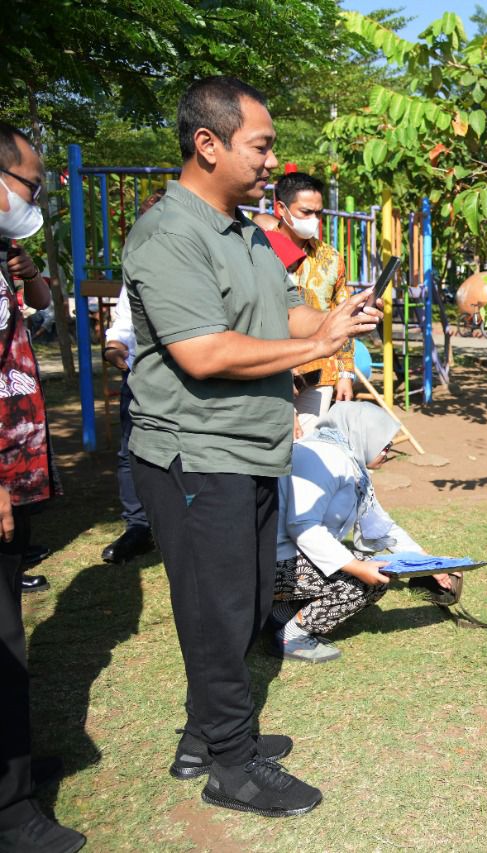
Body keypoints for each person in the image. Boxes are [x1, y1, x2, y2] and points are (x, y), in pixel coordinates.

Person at [123, 77, 381, 817]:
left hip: (248, 449)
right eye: (260, 146)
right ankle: (230, 767)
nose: (272, 161)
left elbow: (289, 319)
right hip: (195, 455)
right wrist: (316, 342)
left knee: (236, 608)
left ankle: (207, 736)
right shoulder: (170, 233)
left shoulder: (242, 231)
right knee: (218, 606)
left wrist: (336, 320)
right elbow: (203, 353)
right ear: (208, 144)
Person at [0, 122, 86, 853]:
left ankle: (15, 766)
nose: (38, 195)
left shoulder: (3, 256)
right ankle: (12, 810)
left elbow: (36, 305)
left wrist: (20, 264)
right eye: (30, 183)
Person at [273, 402, 453, 662]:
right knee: (369, 581)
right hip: (274, 563)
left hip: (288, 557)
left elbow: (381, 525)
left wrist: (430, 562)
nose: (388, 451)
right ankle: (292, 636)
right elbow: (303, 526)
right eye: (384, 444)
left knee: (365, 569)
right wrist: (357, 567)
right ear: (363, 434)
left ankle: (278, 614)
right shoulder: (322, 457)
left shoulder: (350, 462)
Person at [99, 190, 168, 566]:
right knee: (130, 449)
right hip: (141, 375)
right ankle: (137, 527)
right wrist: (114, 345)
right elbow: (124, 322)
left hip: (187, 378)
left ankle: (176, 523)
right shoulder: (137, 266)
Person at [273, 172, 356, 435]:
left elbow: (343, 314)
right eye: (306, 212)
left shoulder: (331, 257)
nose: (313, 220)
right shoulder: (259, 251)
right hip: (271, 372)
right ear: (281, 209)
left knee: (307, 450)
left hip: (320, 374)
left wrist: (345, 373)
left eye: (318, 213)